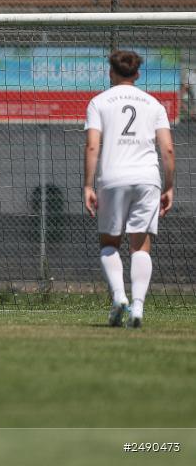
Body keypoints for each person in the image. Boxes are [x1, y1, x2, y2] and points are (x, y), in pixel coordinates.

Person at [84, 50, 175, 328]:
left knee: (110, 244)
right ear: (137, 74)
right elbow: (168, 149)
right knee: (141, 247)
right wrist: (169, 187)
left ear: (111, 73)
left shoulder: (98, 102)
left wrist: (88, 184)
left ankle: (119, 297)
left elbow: (92, 146)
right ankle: (137, 307)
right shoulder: (154, 104)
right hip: (147, 179)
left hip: (112, 178)